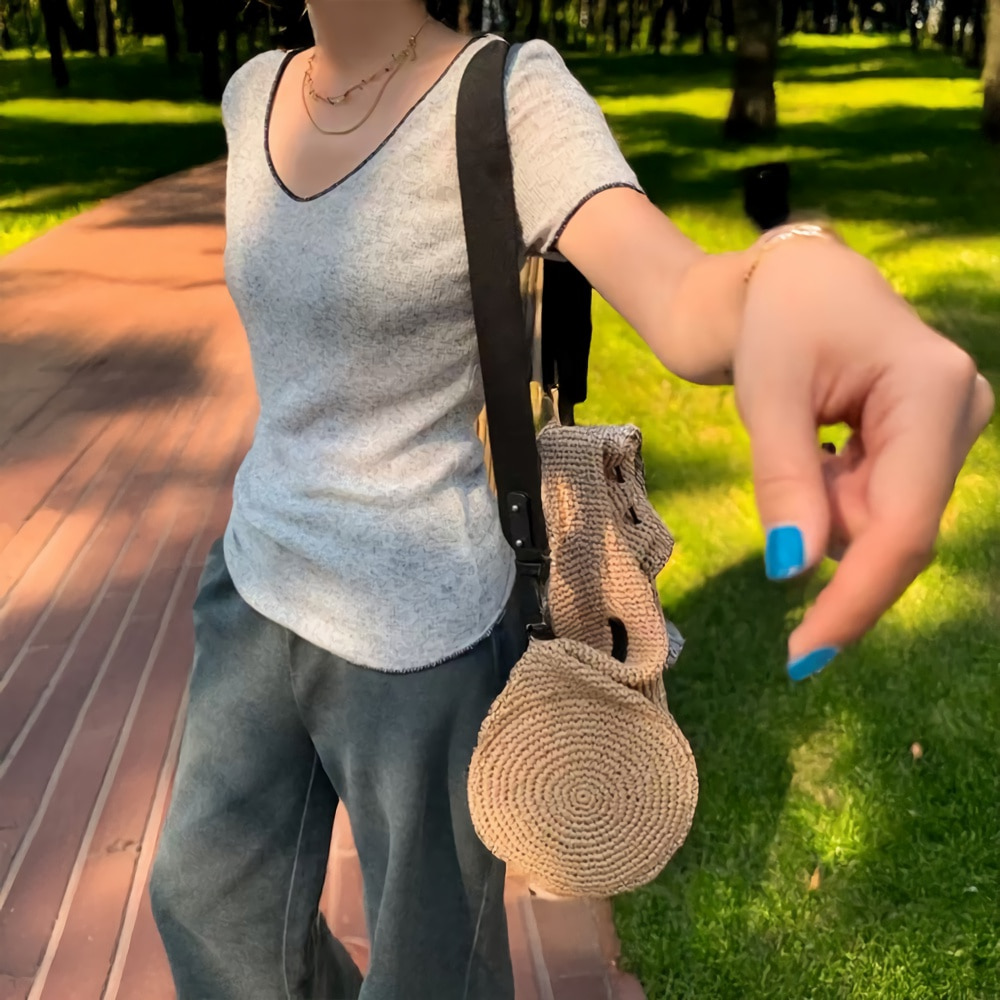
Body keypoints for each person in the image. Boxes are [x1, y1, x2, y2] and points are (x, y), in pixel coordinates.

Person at [147, 2, 994, 998]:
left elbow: (681, 294)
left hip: (421, 634)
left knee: (430, 974)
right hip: (253, 583)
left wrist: (792, 265)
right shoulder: (252, 94)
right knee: (203, 902)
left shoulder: (508, 94)